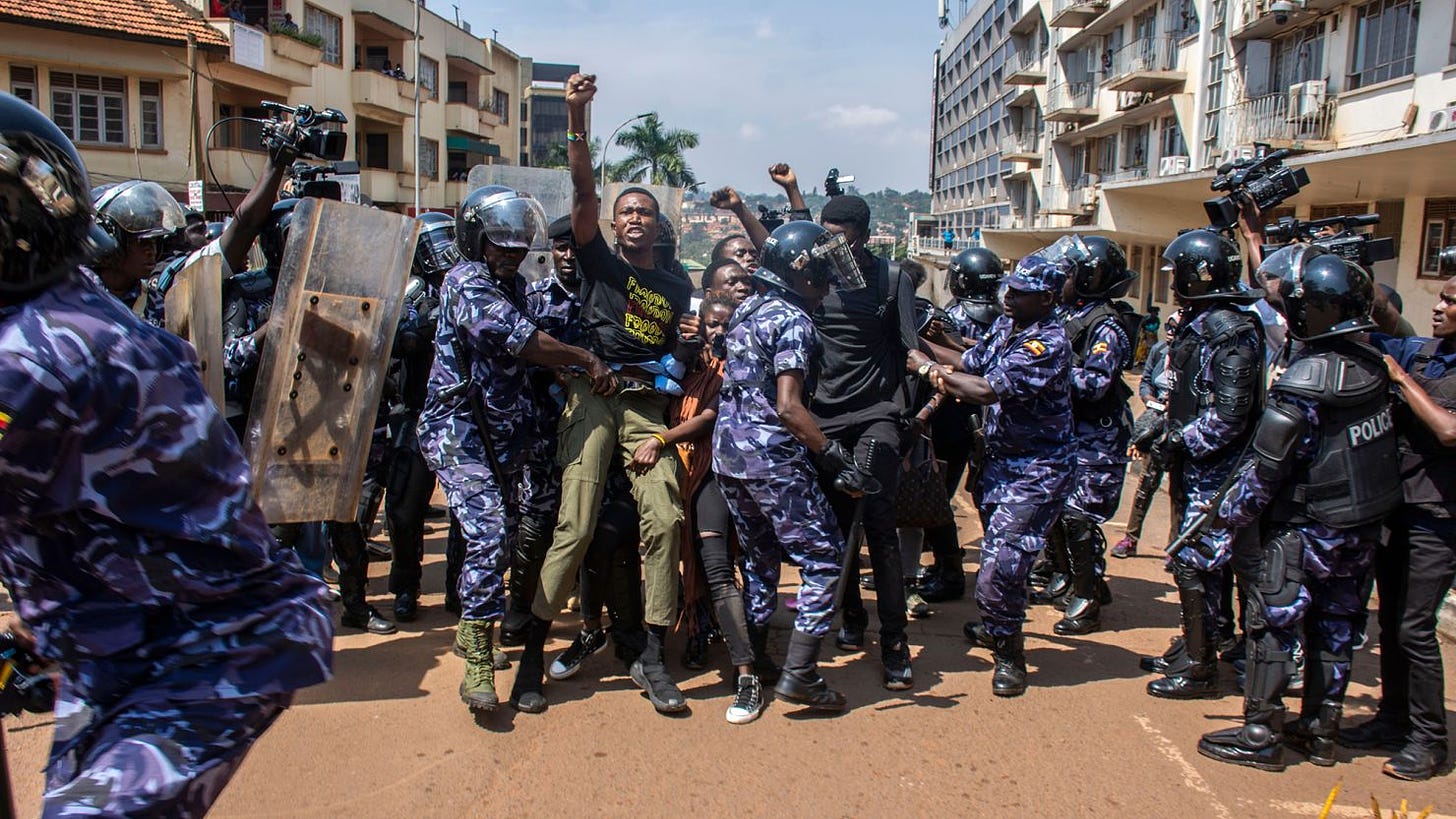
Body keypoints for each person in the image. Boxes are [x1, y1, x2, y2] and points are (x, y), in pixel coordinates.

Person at [0, 91, 333, 816]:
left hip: (200, 620)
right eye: (138, 241)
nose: (150, 251)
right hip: (111, 609)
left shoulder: (50, 343)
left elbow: (228, 256)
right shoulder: (79, 304)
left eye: (156, 241)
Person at [514, 73, 696, 716]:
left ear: (657, 224)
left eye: (645, 211)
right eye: (626, 212)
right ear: (612, 225)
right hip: (593, 395)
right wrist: (576, 119)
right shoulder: (599, 263)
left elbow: (682, 352)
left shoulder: (676, 290)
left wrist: (690, 342)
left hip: (645, 407)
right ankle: (533, 654)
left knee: (666, 516)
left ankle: (650, 655)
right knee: (577, 521)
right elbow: (584, 187)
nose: (635, 218)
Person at [1194, 253, 1400, 772]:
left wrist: (1224, 519)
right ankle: (1320, 730)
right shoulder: (1373, 365)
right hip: (1357, 526)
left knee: (1271, 624)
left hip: (1304, 526)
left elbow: (1266, 469)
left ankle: (1261, 732)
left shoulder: (1306, 379)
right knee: (1335, 627)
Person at [418, 185, 611, 714]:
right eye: (500, 244)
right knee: (486, 532)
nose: (511, 253)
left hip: (506, 434)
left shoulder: (518, 288)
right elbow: (525, 343)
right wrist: (584, 359)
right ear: (474, 238)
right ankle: (478, 660)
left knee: (506, 534)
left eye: (519, 246)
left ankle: (473, 624)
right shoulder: (465, 283)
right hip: (459, 430)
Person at [714, 220, 873, 714]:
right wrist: (832, 456)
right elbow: (788, 406)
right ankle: (801, 674)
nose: (826, 287)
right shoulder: (792, 319)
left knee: (760, 560)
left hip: (731, 457)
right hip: (771, 458)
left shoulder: (748, 309)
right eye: (823, 276)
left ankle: (759, 659)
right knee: (824, 559)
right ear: (803, 275)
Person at [933, 254, 1074, 697]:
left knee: (1002, 565)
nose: (1007, 296)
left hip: (1038, 468)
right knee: (999, 557)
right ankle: (998, 625)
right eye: (1008, 288)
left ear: (1046, 298)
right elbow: (972, 361)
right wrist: (911, 342)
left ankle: (1011, 654)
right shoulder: (1009, 327)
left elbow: (985, 388)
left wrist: (924, 367)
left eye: (1019, 292)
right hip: (1002, 463)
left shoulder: (1046, 342)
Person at [1342, 270, 1456, 781]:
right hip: (1399, 506)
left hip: (1440, 517)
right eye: (1441, 296)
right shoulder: (1428, 351)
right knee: (1390, 621)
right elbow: (1373, 327)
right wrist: (1358, 276)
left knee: (1415, 627)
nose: (1440, 305)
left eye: (1451, 300)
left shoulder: (1416, 365)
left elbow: (1449, 430)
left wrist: (1402, 380)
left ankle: (1430, 741)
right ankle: (1392, 719)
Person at [1144, 229, 1266, 700]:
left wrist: (1180, 439)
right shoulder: (1200, 324)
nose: (1172, 284)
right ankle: (1197, 647)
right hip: (1196, 466)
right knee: (1197, 565)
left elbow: (1231, 416)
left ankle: (1200, 669)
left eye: (1178, 275)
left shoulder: (1229, 332)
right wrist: (1161, 425)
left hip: (1223, 471)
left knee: (1195, 563)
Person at [1043, 236, 1138, 635]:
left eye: (1066, 274)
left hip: (1096, 438)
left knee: (1078, 517)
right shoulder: (1069, 314)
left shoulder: (1105, 325)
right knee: (1056, 514)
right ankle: (1073, 576)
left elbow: (1096, 383)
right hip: (1066, 432)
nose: (1058, 280)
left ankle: (1088, 595)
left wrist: (1046, 371)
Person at [384, 212, 456, 623]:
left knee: (466, 511)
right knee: (404, 508)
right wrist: (423, 327)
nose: (443, 249)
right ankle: (405, 587)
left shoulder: (471, 286)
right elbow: (395, 340)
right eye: (434, 241)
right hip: (415, 412)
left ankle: (458, 588)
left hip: (461, 413)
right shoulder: (411, 293)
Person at [1113, 311, 1180, 558]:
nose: (1171, 332)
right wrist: (1151, 400)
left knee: (1178, 491)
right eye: (1168, 327)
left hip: (1181, 427)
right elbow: (1145, 382)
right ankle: (1131, 538)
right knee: (1146, 484)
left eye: (1175, 328)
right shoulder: (1159, 351)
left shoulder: (1192, 355)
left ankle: (1176, 546)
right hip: (1156, 424)